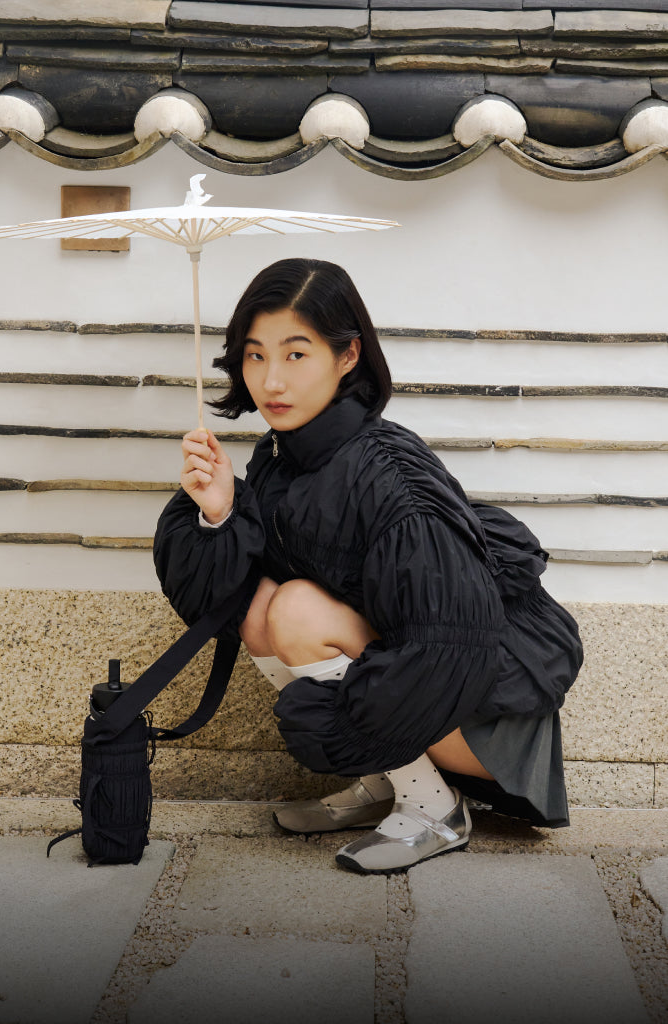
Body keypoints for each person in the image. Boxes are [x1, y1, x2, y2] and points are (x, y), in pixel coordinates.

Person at [153, 257, 583, 875]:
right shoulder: (284, 456)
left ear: (347, 356)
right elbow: (228, 597)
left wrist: (348, 731)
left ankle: (436, 808)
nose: (270, 380)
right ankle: (391, 782)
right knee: (260, 606)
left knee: (296, 609)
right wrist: (220, 511)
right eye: (254, 355)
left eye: (296, 355)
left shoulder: (388, 474)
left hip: (488, 715)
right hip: (426, 690)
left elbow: (450, 642)